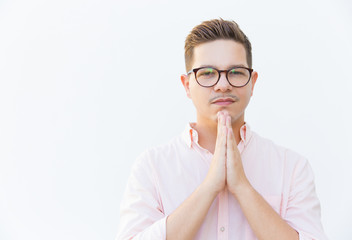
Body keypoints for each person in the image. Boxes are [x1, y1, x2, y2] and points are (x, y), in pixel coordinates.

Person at [115, 19, 327, 240]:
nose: (223, 84)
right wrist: (209, 187)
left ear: (252, 82)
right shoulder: (152, 167)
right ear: (187, 85)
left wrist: (242, 188)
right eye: (207, 73)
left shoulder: (292, 168)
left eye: (235, 72)